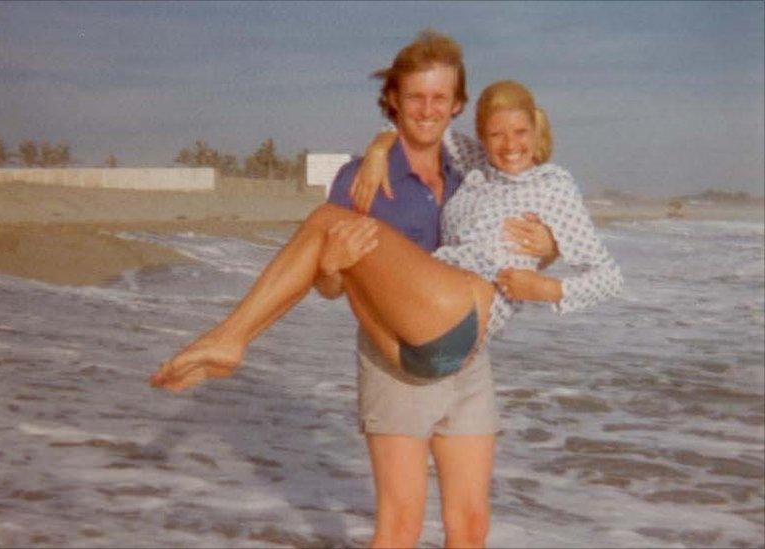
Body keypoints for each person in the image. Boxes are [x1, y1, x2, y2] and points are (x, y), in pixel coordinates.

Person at [151, 32, 623, 549]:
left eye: (440, 99)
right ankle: (231, 339)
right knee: (399, 530)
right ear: (394, 100)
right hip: (399, 357)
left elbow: (562, 243)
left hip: (469, 354)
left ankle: (233, 337)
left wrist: (547, 262)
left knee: (470, 528)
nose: (427, 110)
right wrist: (337, 250)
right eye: (415, 97)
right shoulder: (365, 177)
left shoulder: (468, 165)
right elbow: (331, 285)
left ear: (457, 106)